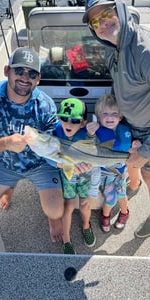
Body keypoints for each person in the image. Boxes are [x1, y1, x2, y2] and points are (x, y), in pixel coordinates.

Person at [83, 0, 150, 238]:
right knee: (131, 165)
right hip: (126, 123)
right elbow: (117, 86)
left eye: (106, 13)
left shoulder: (149, 50)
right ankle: (134, 183)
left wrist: (148, 150)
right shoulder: (111, 47)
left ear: (119, 9)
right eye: (95, 20)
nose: (102, 23)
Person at [0, 47, 89, 243]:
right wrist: (6, 143)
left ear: (38, 79)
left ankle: (51, 218)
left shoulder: (46, 105)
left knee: (56, 211)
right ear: (7, 71)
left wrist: (69, 164)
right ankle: (9, 186)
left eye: (32, 73)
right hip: (6, 162)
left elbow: (52, 148)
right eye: (19, 71)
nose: (25, 77)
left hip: (40, 165)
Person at [87, 94, 139, 232]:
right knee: (111, 198)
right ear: (98, 117)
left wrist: (135, 145)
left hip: (120, 173)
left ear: (120, 117)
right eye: (105, 114)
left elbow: (130, 147)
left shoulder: (124, 130)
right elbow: (90, 145)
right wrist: (91, 134)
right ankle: (106, 215)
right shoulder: (97, 131)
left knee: (122, 195)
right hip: (104, 174)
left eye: (114, 114)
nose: (110, 117)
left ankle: (124, 213)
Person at [55, 97, 101, 254]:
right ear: (58, 118)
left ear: (82, 122)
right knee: (67, 206)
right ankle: (66, 238)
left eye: (74, 120)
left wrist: (93, 191)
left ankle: (86, 225)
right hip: (68, 177)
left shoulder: (86, 136)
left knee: (84, 204)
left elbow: (95, 159)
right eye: (64, 118)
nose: (68, 124)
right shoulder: (55, 131)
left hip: (85, 177)